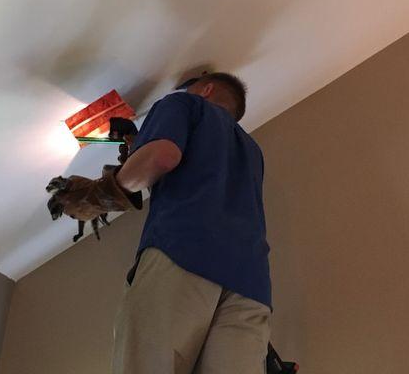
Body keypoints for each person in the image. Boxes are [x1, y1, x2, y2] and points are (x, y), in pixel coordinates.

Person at [64, 72, 272, 373]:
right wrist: (139, 144)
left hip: (183, 251)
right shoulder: (252, 151)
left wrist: (102, 194)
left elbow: (162, 157)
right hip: (252, 286)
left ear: (206, 90)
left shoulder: (185, 104)